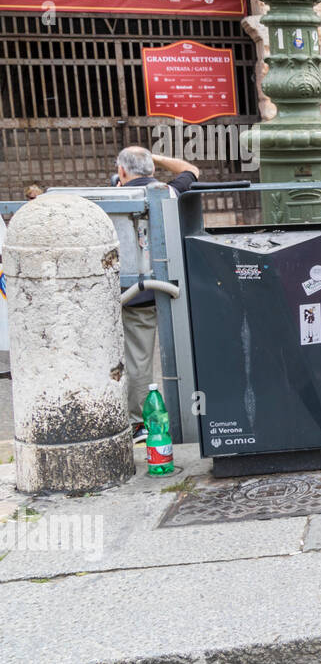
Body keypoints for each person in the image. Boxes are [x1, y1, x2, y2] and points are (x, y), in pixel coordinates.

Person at [115, 146, 200, 443]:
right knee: (184, 354)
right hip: (171, 286)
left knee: (138, 359)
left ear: (122, 172)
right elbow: (191, 171)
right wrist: (159, 158)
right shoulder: (169, 191)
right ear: (151, 169)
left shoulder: (114, 196)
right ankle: (191, 417)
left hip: (132, 292)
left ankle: (139, 423)